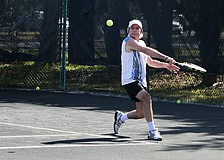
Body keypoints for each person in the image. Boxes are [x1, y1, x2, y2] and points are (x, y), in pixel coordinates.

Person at [113, 19, 180, 141]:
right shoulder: (128, 42)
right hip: (130, 80)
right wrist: (166, 58)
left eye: (137, 28)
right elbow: (146, 50)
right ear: (128, 31)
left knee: (141, 113)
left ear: (141, 31)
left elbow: (150, 62)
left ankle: (121, 118)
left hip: (140, 82)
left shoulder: (141, 43)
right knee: (147, 98)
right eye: (132, 28)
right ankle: (153, 131)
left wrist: (166, 65)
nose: (134, 30)